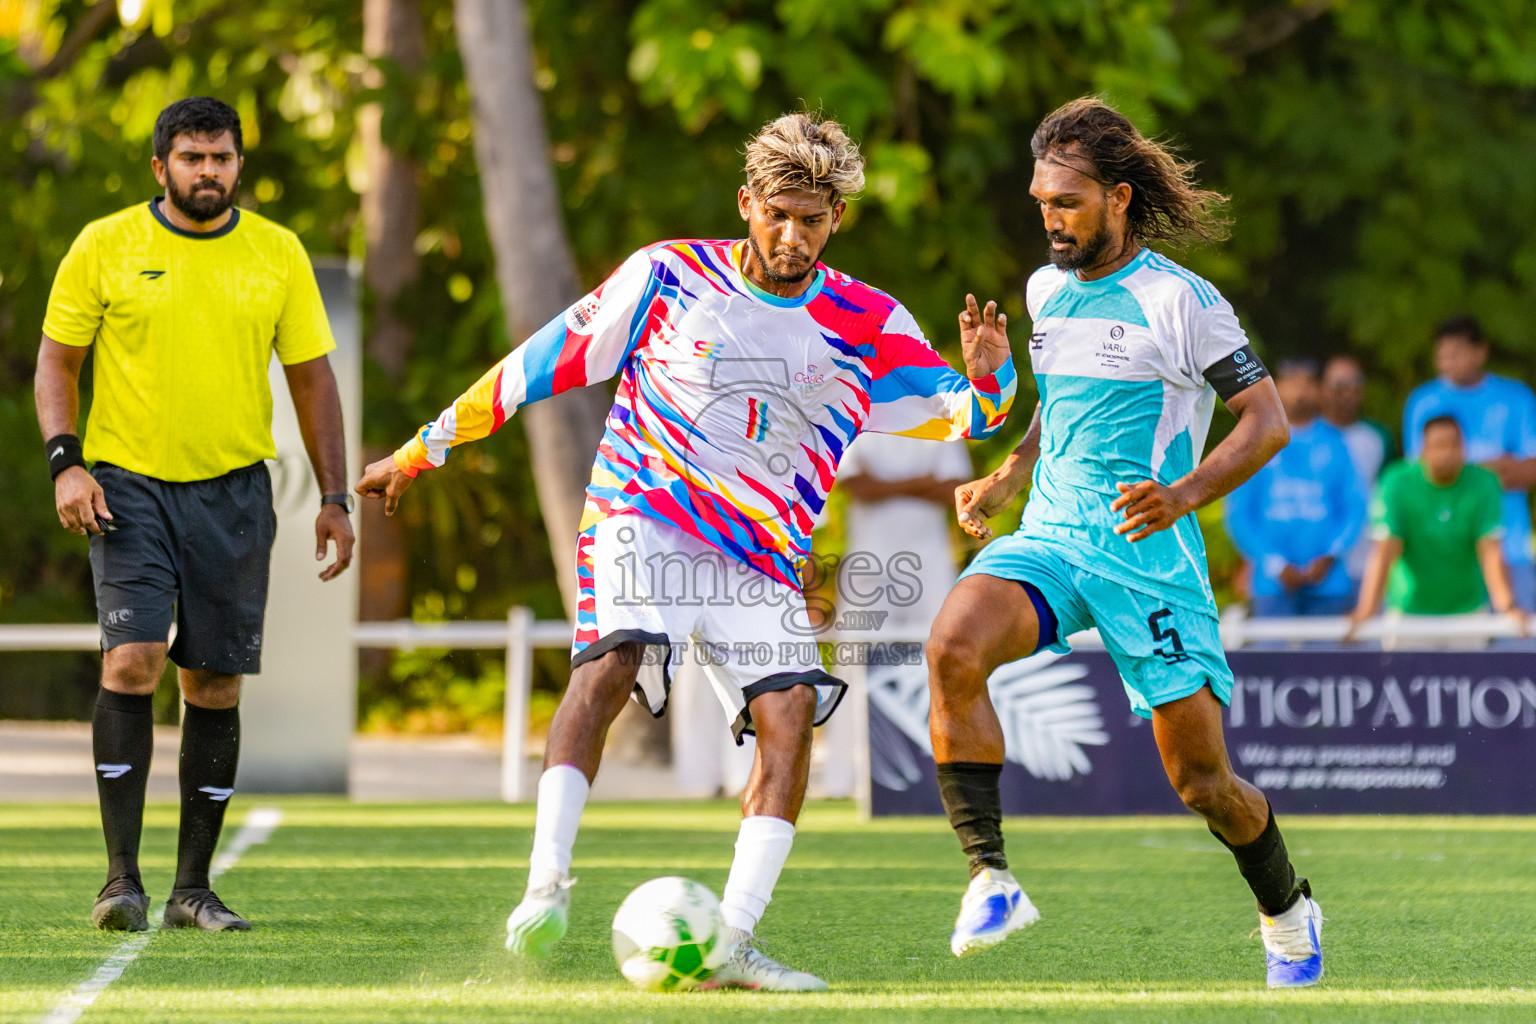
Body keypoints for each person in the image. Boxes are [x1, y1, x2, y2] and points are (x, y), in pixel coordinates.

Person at [354, 113, 1015, 990]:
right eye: (777, 212)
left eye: (812, 220)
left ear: (836, 221)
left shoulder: (871, 322)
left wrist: (993, 373)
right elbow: (536, 363)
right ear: (748, 203)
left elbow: (967, 416)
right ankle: (546, 885)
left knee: (788, 720)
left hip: (763, 557)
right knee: (614, 661)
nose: (792, 234)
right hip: (644, 516)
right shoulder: (669, 276)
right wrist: (420, 449)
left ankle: (732, 945)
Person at [924, 98, 1324, 988]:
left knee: (1204, 787)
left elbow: (1267, 423)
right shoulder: (1041, 291)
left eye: (1066, 202)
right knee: (951, 645)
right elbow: (1057, 408)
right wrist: (1007, 472)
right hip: (1055, 539)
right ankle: (990, 876)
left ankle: (1287, 910)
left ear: (1118, 198)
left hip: (1149, 562)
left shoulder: (1182, 301)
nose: (1049, 220)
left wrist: (1182, 494)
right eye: (1040, 202)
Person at [33, 97, 354, 932]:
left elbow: (313, 380)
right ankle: (119, 882)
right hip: (126, 487)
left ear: (240, 165)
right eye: (190, 157)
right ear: (160, 168)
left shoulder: (276, 255)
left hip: (234, 492)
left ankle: (192, 890)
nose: (206, 170)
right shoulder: (105, 245)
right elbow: (56, 364)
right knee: (133, 660)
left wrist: (335, 496)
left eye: (219, 157)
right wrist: (67, 463)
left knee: (212, 681)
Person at [817, 433, 973, 796]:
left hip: (930, 564)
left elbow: (955, 488)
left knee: (946, 662)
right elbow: (858, 487)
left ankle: (946, 774)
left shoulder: (942, 414)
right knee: (852, 664)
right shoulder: (860, 414)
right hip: (868, 567)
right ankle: (843, 778)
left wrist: (888, 484)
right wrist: (922, 481)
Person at [1347, 415, 1527, 640]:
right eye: (1439, 445)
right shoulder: (1396, 482)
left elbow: (1490, 551)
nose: (1447, 453)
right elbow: (1386, 550)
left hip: (1467, 611)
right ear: (1423, 449)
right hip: (1408, 611)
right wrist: (1367, 609)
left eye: (1454, 445)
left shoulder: (1484, 483)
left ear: (1464, 448)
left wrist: (1507, 607)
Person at [1403, 315, 1536, 610]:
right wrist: (1500, 465)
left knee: (1518, 648)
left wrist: (1460, 471)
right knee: (1453, 654)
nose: (1445, 362)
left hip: (1510, 550)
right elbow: (1422, 475)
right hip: (1444, 557)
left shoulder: (1517, 398)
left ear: (1480, 352)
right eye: (1441, 355)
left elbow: (1531, 469)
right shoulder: (1422, 402)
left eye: (1455, 353)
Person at [1225, 360, 1365, 616]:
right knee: (1273, 656)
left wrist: (1329, 556)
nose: (1300, 391)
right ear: (1275, 387)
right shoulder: (1255, 442)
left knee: (1325, 657)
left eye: (1307, 383)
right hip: (1272, 586)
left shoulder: (1337, 444)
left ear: (1318, 389)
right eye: (1292, 383)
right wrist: (1274, 563)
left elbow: (1355, 509)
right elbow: (1239, 515)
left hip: (1328, 584)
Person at [1319, 354, 1395, 584]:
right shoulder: (1306, 437)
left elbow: (1392, 494)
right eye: (1340, 386)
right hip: (1318, 563)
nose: (1349, 393)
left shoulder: (1378, 437)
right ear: (1323, 389)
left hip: (1369, 559)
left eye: (1356, 384)